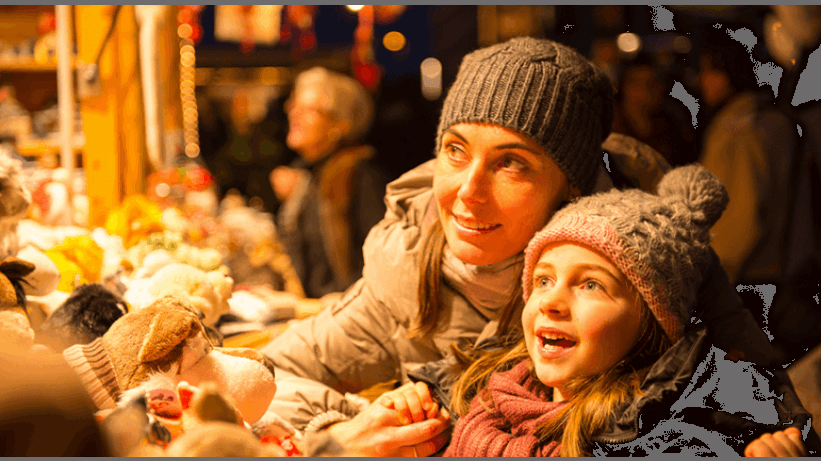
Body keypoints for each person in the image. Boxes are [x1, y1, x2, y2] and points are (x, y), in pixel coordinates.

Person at [259, 37, 799, 456]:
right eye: (455, 150)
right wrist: (340, 431)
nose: (467, 191)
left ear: (572, 186)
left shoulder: (656, 265)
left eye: (511, 162)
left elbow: (771, 415)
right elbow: (262, 377)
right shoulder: (407, 271)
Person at [438, 165, 815, 456]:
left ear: (652, 321)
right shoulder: (483, 392)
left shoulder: (678, 440)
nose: (550, 302)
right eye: (542, 280)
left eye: (591, 285)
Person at [269, 67, 390, 299]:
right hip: (316, 313)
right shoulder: (310, 175)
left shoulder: (362, 177)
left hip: (347, 317)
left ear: (340, 124)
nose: (295, 114)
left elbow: (380, 268)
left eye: (311, 110)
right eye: (295, 105)